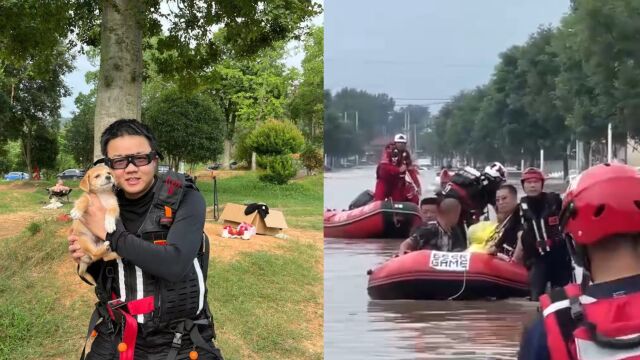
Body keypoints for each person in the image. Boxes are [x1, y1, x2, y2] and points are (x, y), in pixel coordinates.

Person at [67, 119, 223, 360]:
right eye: (119, 161)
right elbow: (104, 278)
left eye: (140, 158)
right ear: (109, 166)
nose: (130, 168)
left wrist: (111, 235)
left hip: (179, 339)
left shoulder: (184, 197)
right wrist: (87, 254)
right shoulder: (103, 201)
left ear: (155, 159)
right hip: (116, 332)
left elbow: (175, 265)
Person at [518, 163, 640, 360]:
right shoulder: (522, 207)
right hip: (541, 259)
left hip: (554, 261)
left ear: (574, 244)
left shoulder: (553, 321)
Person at [517, 167, 572, 301]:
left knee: (561, 297)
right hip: (536, 258)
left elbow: (571, 217)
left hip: (559, 256)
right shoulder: (520, 208)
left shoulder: (555, 200)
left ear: (542, 184)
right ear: (523, 185)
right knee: (535, 298)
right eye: (528, 182)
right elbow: (512, 231)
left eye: (536, 182)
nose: (532, 185)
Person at [440, 161, 507, 229]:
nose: (500, 186)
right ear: (496, 180)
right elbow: (475, 219)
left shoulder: (475, 181)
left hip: (449, 208)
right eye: (500, 183)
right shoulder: (482, 191)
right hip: (454, 214)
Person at [398, 198, 467, 254]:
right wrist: (402, 255)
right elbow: (406, 244)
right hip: (424, 262)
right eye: (455, 215)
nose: (429, 215)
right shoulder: (429, 229)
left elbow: (461, 249)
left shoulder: (456, 231)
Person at [487, 184, 522, 260]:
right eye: (497, 200)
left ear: (515, 198)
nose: (500, 202)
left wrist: (514, 260)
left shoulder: (521, 215)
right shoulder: (507, 218)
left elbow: (521, 240)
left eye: (504, 198)